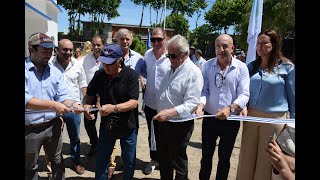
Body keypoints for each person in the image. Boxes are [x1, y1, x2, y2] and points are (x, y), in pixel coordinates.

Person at [236, 29, 295, 180]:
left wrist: (293, 125)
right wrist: (243, 105)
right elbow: (243, 91)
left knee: (266, 160)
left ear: (274, 45)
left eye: (264, 43)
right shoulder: (251, 67)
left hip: (274, 120)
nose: (259, 46)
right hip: (251, 118)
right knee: (246, 157)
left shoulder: (287, 68)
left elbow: (293, 99)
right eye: (258, 43)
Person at [25, 32, 83, 180]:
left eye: (51, 50)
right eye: (45, 50)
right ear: (31, 49)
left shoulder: (55, 72)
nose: (49, 54)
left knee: (57, 160)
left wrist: (75, 105)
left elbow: (63, 96)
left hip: (53, 126)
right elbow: (27, 100)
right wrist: (54, 105)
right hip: (30, 130)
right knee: (30, 166)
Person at [195, 34, 250, 180]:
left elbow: (244, 95)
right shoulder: (207, 66)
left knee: (224, 159)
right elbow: (204, 90)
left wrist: (230, 108)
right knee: (206, 156)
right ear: (214, 48)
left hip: (231, 120)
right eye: (218, 46)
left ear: (233, 48)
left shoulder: (241, 68)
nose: (222, 49)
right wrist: (201, 105)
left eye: (225, 46)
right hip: (210, 118)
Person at [82, 44, 139, 180]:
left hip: (128, 124)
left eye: (110, 63)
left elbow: (134, 102)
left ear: (120, 60)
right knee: (102, 158)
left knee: (129, 159)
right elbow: (89, 96)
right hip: (107, 124)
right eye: (104, 62)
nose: (106, 66)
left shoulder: (130, 75)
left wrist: (113, 108)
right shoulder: (99, 74)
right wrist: (86, 107)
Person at [153, 35, 204, 180]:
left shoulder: (193, 72)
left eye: (173, 56)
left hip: (179, 125)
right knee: (164, 159)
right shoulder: (172, 67)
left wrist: (170, 113)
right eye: (168, 55)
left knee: (178, 161)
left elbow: (192, 103)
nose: (170, 58)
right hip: (165, 123)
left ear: (186, 54)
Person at [50, 39, 88, 175]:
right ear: (57, 50)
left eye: (70, 50)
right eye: (65, 49)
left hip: (74, 108)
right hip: (55, 109)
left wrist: (85, 102)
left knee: (75, 138)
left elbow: (83, 84)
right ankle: (55, 165)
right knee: (54, 138)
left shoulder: (77, 65)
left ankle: (76, 162)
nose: (68, 52)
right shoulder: (49, 65)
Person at [141, 27, 171, 174]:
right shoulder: (147, 55)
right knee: (152, 135)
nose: (156, 42)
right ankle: (155, 159)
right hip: (151, 104)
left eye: (159, 39)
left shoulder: (172, 56)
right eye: (153, 39)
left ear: (166, 39)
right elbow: (143, 74)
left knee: (167, 135)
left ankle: (166, 160)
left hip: (167, 106)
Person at [82, 35, 104, 157]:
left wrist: (100, 99)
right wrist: (86, 99)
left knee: (105, 122)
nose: (96, 47)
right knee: (88, 122)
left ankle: (103, 145)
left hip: (105, 96)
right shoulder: (85, 59)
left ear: (103, 45)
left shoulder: (107, 58)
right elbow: (83, 79)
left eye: (98, 45)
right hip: (90, 96)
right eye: (94, 45)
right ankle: (94, 143)